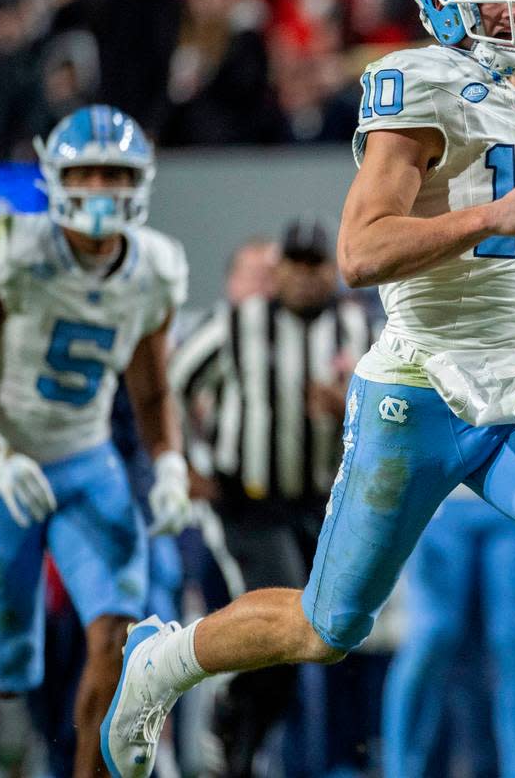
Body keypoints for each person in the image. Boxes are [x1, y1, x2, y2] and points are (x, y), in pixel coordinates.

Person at [101, 0, 515, 778]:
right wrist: (487, 212)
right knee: (325, 627)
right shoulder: (419, 85)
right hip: (419, 391)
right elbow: (359, 249)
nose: (512, 8)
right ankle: (164, 657)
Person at [0, 104, 193, 778]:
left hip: (86, 457)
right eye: (87, 173)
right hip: (2, 463)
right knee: (0, 671)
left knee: (118, 635)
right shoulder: (19, 249)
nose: (101, 188)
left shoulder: (156, 265)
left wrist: (168, 461)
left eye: (115, 173)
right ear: (58, 177)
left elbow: (151, 385)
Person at [168, 219, 375, 776]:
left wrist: (348, 410)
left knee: (315, 641)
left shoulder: (357, 328)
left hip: (322, 508)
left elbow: (391, 418)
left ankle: (242, 738)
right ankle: (232, 725)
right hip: (250, 503)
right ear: (279, 270)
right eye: (296, 265)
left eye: (315, 265)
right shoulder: (237, 324)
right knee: (286, 620)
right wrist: (182, 463)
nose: (306, 278)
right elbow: (170, 383)